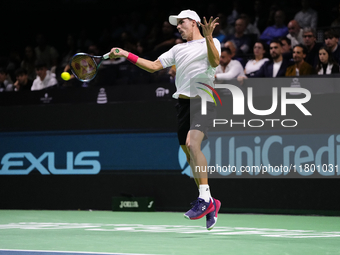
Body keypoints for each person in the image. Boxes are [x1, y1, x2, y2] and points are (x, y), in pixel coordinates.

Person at [109, 10, 221, 230]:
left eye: (182, 22)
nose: (178, 27)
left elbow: (215, 61)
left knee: (192, 143)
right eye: (177, 24)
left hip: (204, 100)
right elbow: (152, 66)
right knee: (189, 155)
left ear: (195, 23)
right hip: (183, 104)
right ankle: (212, 202)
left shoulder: (211, 40)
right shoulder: (177, 49)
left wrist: (208, 37)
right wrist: (125, 53)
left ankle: (205, 199)